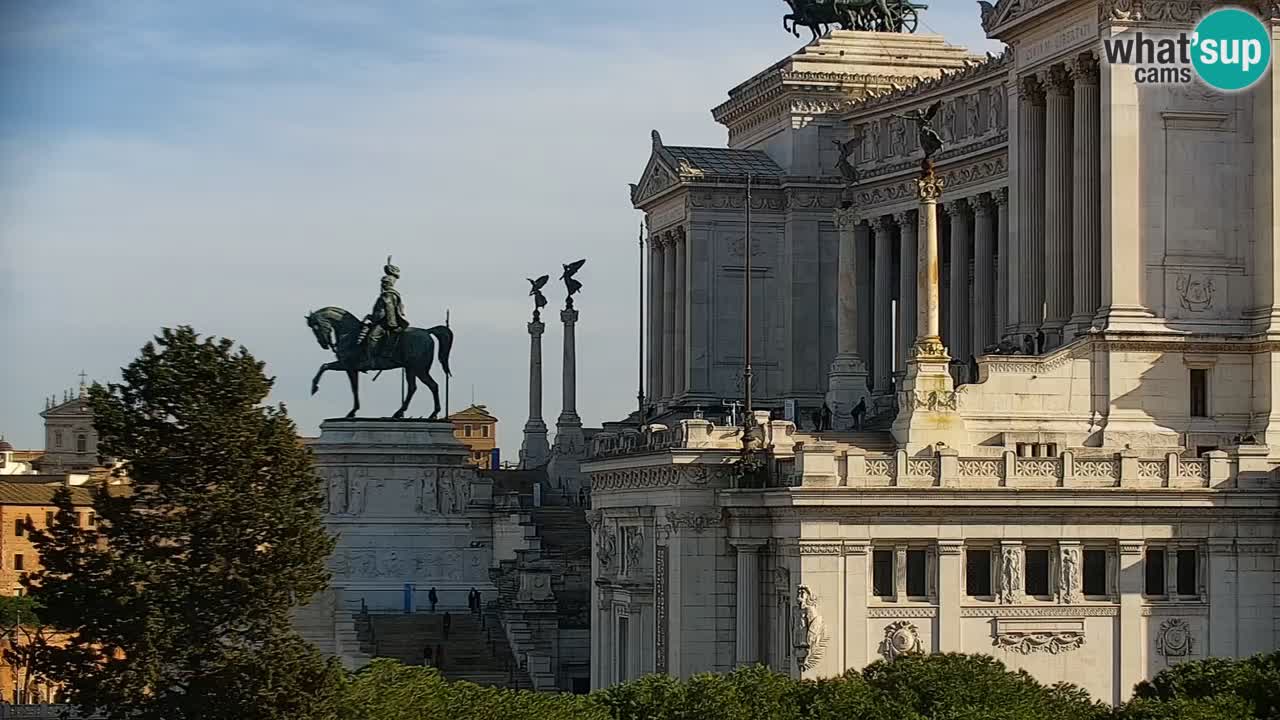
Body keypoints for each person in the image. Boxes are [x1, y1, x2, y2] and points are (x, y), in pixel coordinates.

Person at [356, 256, 409, 364]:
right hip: (381, 320)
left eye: (384, 282)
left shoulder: (388, 295)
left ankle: (371, 360)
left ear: (388, 283)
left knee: (372, 337)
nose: (382, 284)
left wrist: (391, 324)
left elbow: (389, 311)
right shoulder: (387, 294)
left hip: (386, 323)